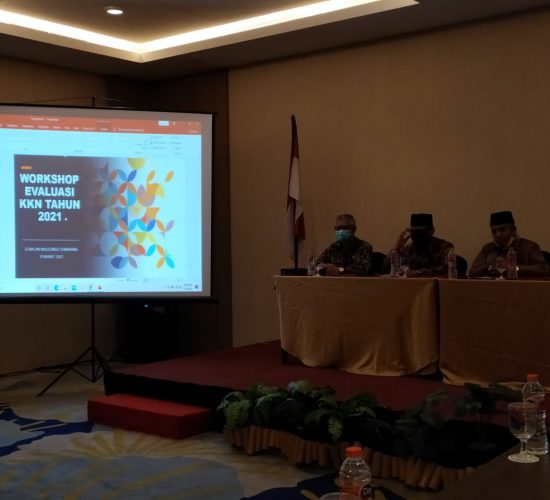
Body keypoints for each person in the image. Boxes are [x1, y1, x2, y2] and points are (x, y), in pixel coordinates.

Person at [469, 211, 549, 278]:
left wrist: (514, 268)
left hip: (523, 288)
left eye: (502, 230)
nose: (498, 235)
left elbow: (544, 269)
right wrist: (487, 266)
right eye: (494, 231)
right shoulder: (488, 248)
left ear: (513, 230)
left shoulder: (529, 246)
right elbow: (472, 273)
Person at [384, 213, 454, 276]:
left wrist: (417, 272)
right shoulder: (409, 249)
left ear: (431, 231)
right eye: (414, 231)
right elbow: (386, 269)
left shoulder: (444, 247)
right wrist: (397, 247)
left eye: (420, 231)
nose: (417, 235)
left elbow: (447, 269)